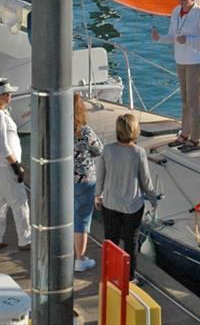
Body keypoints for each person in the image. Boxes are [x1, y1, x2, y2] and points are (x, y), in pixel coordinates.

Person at [151, 0, 200, 153]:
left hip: (196, 61)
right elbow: (173, 35)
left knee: (195, 100)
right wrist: (159, 38)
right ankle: (184, 133)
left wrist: (189, 40)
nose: (182, 1)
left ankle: (196, 138)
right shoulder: (176, 11)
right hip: (181, 60)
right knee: (185, 100)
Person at [95, 113, 158, 282]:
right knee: (131, 242)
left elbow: (100, 175)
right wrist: (153, 199)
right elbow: (145, 180)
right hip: (133, 206)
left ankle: (110, 274)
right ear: (134, 130)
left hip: (110, 204)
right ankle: (130, 277)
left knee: (111, 240)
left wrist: (97, 195)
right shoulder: (138, 152)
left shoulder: (108, 150)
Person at [0, 78, 30, 252]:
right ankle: (26, 240)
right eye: (5, 93)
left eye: (9, 92)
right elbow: (3, 147)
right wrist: (16, 166)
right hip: (4, 165)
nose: (9, 95)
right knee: (20, 202)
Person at [73, 93, 103, 273]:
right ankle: (80, 258)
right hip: (85, 179)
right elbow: (98, 150)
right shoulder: (85, 131)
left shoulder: (57, 129)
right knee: (82, 219)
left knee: (69, 216)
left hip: (64, 179)